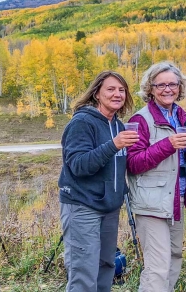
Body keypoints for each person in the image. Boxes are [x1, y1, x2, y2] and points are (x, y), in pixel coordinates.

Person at [58, 70, 138, 292]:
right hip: (82, 206)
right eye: (110, 89)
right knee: (83, 272)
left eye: (121, 90)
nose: (117, 94)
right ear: (96, 94)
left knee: (106, 266)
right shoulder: (82, 122)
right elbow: (78, 165)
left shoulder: (118, 125)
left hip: (110, 209)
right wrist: (113, 145)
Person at [126, 62, 186, 292]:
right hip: (151, 204)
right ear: (151, 88)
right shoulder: (140, 120)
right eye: (161, 84)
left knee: (174, 258)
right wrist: (167, 145)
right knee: (157, 266)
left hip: (175, 199)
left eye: (173, 84)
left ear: (180, 87)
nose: (168, 89)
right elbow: (133, 164)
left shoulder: (182, 117)